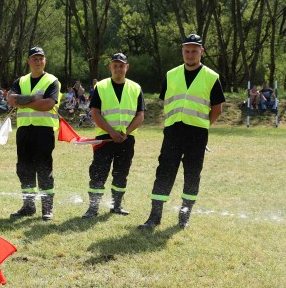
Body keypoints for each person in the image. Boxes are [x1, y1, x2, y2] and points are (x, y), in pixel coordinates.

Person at [138, 34, 225, 230]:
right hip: (173, 131)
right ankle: (154, 216)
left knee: (192, 174)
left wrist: (203, 124)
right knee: (164, 172)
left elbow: (217, 108)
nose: (190, 54)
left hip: (197, 133)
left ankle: (184, 216)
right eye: (187, 51)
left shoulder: (212, 77)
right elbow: (165, 103)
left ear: (201, 52)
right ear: (182, 51)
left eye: (194, 51)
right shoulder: (171, 75)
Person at [82, 53, 145, 218]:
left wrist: (125, 132)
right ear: (110, 67)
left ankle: (116, 206)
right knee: (98, 172)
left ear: (127, 67)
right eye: (115, 65)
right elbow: (95, 113)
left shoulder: (136, 88)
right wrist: (111, 131)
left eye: (121, 65)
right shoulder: (101, 87)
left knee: (121, 172)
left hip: (126, 139)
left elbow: (140, 115)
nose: (118, 68)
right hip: (104, 138)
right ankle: (93, 208)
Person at [7, 46, 60, 221]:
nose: (38, 61)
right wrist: (35, 99)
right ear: (28, 61)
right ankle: (28, 206)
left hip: (44, 131)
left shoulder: (52, 81)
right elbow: (11, 100)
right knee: (24, 168)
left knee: (44, 168)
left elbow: (48, 104)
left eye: (40, 58)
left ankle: (47, 208)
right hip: (24, 131)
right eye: (34, 58)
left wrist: (24, 101)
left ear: (44, 61)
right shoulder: (20, 81)